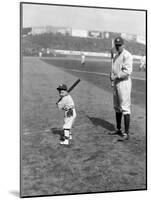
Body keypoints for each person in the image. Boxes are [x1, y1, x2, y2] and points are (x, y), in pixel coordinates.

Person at [110, 36, 133, 141]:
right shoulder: (116, 56)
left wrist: (115, 76)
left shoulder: (127, 55)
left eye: (120, 45)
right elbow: (114, 69)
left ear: (124, 45)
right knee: (116, 106)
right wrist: (111, 75)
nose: (118, 47)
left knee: (125, 108)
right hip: (116, 83)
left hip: (124, 83)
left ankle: (126, 133)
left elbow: (127, 72)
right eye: (116, 45)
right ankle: (118, 129)